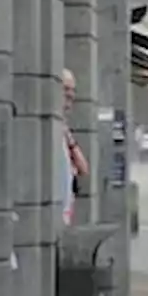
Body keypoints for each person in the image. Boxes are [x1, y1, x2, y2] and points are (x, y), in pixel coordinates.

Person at [61, 69, 90, 225]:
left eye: (73, 90)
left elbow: (84, 169)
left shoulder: (64, 129)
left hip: (65, 213)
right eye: (65, 89)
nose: (70, 95)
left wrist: (70, 140)